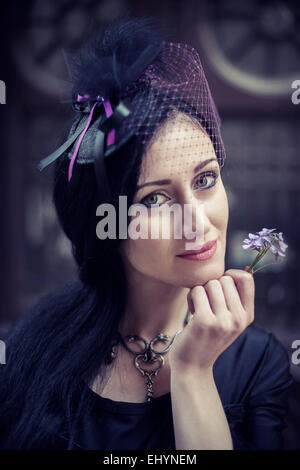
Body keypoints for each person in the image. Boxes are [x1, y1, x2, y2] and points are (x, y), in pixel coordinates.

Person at [0, 17, 294, 451]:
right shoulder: (33, 350)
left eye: (206, 179)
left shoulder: (258, 362)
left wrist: (193, 371)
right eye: (155, 200)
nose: (196, 221)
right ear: (105, 225)